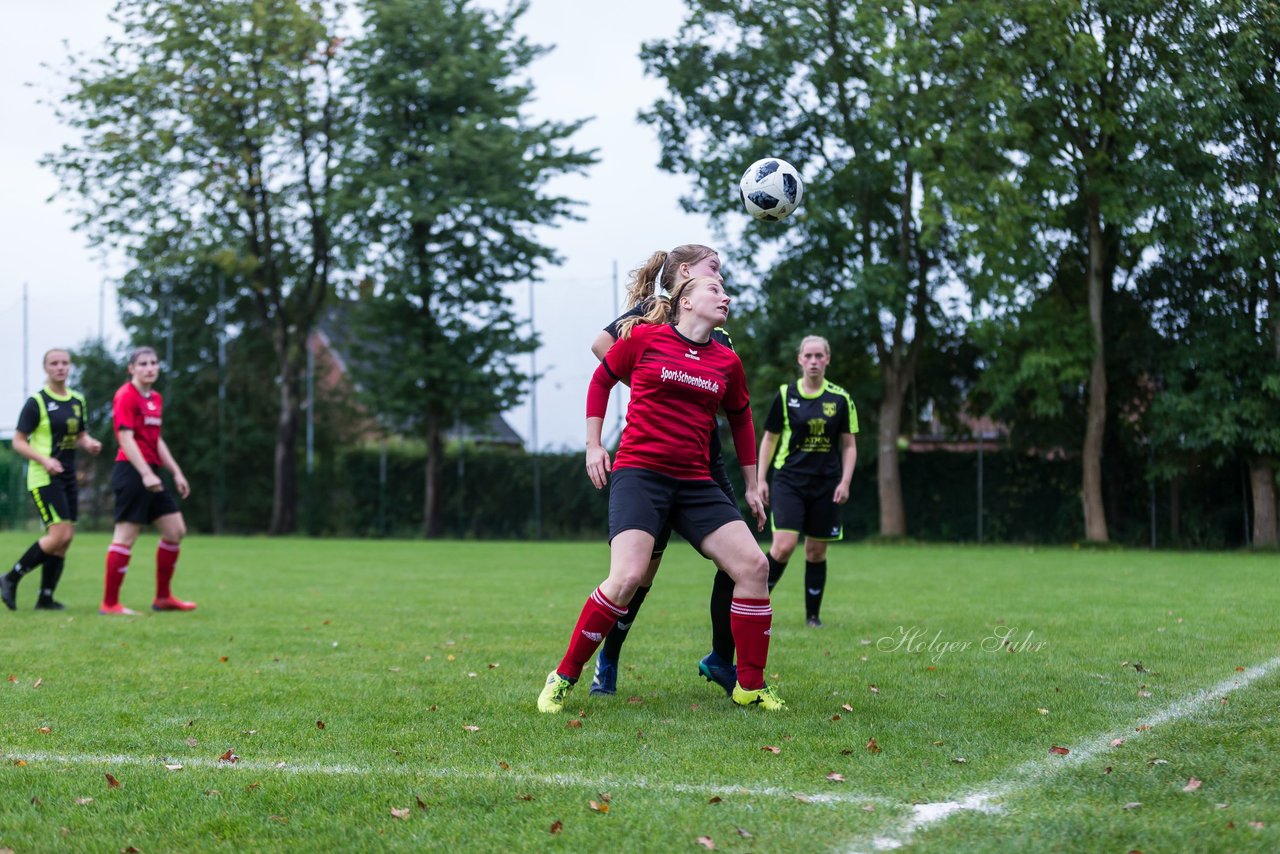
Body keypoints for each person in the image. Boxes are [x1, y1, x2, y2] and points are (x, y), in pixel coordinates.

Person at [538, 274, 785, 713]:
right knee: (628, 578)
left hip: (694, 482)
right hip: (640, 476)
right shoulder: (645, 338)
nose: (725, 296)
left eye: (726, 290)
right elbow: (601, 381)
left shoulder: (727, 361)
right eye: (715, 289)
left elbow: (742, 420)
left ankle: (751, 684)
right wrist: (594, 444)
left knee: (753, 566)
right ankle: (563, 676)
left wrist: (751, 484)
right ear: (686, 301)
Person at [586, 245, 739, 698]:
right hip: (652, 460)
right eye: (713, 268)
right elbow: (601, 346)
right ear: (686, 273)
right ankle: (608, 658)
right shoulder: (652, 315)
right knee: (638, 578)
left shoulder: (714, 324)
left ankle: (721, 659)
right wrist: (660, 388)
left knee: (742, 560)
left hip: (703, 461)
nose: (720, 278)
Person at [757, 335, 858, 627]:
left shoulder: (840, 398)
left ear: (827, 359)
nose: (814, 361)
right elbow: (769, 439)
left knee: (816, 551)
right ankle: (754, 605)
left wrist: (845, 481)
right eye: (808, 356)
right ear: (800, 360)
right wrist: (760, 479)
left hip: (827, 484)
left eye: (819, 356)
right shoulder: (786, 394)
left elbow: (850, 445)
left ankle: (813, 617)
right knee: (784, 546)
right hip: (789, 481)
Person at [1, 349, 103, 611]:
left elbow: (79, 434)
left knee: (66, 538)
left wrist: (89, 443)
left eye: (65, 363)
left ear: (70, 367)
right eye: (54, 363)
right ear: (45, 368)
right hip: (44, 476)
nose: (60, 367)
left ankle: (45, 597)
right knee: (60, 534)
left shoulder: (77, 399)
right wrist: (44, 460)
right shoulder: (37, 402)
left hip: (68, 476)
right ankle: (10, 578)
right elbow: (18, 442)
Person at [99, 346, 196, 615]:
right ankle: (109, 604)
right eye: (143, 363)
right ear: (131, 369)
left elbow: (156, 439)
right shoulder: (125, 395)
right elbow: (125, 438)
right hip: (132, 471)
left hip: (151, 471)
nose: (150, 367)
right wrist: (145, 473)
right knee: (126, 535)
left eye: (154, 362)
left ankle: (163, 598)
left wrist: (176, 472)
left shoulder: (155, 398)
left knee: (175, 530)